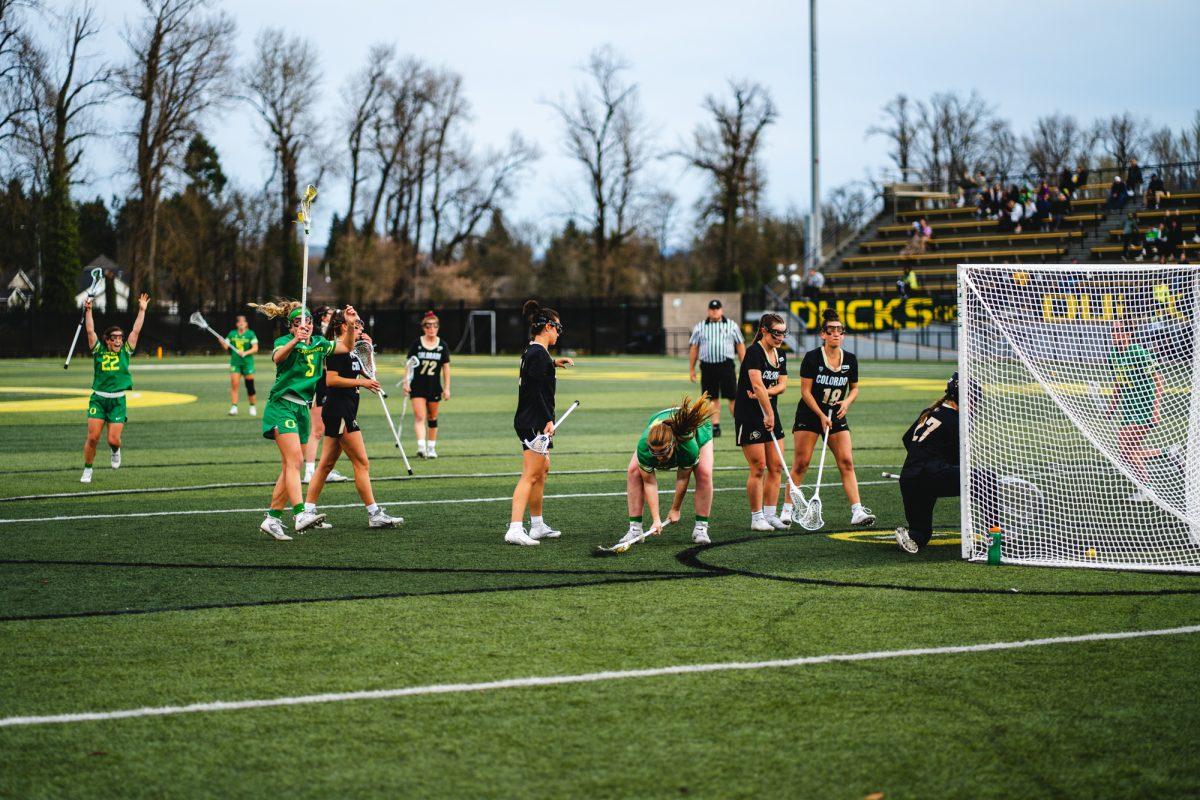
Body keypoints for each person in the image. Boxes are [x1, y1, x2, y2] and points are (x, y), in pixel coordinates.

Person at [251, 301, 358, 541]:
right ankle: (300, 514)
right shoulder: (284, 342)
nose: (305, 325)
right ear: (291, 327)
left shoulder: (320, 343)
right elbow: (278, 358)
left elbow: (347, 346)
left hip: (303, 409)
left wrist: (350, 325)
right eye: (298, 322)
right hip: (282, 406)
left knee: (290, 466)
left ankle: (272, 519)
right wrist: (294, 341)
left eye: (308, 321)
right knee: (295, 461)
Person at [299, 311, 402, 530]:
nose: (360, 328)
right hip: (339, 411)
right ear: (343, 327)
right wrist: (363, 385)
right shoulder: (336, 350)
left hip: (345, 410)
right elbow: (332, 380)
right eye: (356, 325)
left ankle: (307, 512)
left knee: (326, 464)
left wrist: (368, 356)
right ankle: (374, 514)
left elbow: (367, 373)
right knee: (361, 462)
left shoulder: (351, 350)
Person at [782, 308, 874, 527]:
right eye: (830, 330)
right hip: (811, 414)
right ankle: (787, 509)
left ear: (843, 335)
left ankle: (857, 511)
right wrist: (821, 415)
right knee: (801, 463)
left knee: (846, 461)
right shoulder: (813, 358)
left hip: (835, 414)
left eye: (839, 330)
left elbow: (854, 389)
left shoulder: (850, 360)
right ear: (822, 334)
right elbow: (805, 392)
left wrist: (847, 402)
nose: (835, 334)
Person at [894, 373, 999, 553]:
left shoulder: (928, 412)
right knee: (986, 479)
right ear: (964, 398)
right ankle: (995, 534)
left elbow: (907, 439)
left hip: (910, 479)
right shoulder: (956, 421)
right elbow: (958, 460)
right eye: (974, 399)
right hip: (932, 475)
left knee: (921, 535)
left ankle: (907, 536)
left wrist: (921, 461)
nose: (975, 405)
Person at [506, 300, 574, 546]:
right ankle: (515, 528)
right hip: (533, 421)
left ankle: (537, 526)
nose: (558, 333)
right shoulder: (537, 354)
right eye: (557, 328)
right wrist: (548, 419)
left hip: (534, 419)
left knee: (542, 469)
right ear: (547, 327)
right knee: (531, 474)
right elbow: (536, 391)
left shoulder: (536, 352)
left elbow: (537, 373)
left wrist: (554, 363)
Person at [619, 395, 716, 547]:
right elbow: (649, 482)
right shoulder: (644, 447)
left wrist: (675, 509)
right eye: (655, 453)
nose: (660, 458)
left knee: (704, 472)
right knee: (633, 471)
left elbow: (683, 478)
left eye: (663, 452)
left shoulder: (687, 446)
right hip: (660, 417)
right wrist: (656, 519)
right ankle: (635, 529)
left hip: (699, 428)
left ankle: (701, 528)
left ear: (673, 445)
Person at [79, 292, 150, 484]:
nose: (119, 341)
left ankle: (115, 450)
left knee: (113, 440)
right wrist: (88, 310)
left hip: (118, 401)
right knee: (93, 438)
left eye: (120, 338)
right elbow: (90, 330)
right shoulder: (98, 350)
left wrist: (142, 310)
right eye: (114, 338)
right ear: (107, 340)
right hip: (99, 399)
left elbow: (136, 331)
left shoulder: (126, 351)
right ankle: (87, 469)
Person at [732, 312, 788, 531]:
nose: (780, 337)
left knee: (776, 466)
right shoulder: (754, 352)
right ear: (764, 330)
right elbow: (756, 385)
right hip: (751, 415)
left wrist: (768, 393)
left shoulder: (780, 355)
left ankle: (770, 514)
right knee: (759, 467)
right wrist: (768, 412)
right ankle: (756, 518)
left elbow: (782, 385)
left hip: (770, 413)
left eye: (783, 333)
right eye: (776, 333)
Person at [1107, 320, 1171, 502]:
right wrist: (1112, 407)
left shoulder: (1138, 352)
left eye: (1118, 331)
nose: (1114, 334)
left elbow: (1159, 380)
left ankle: (1148, 490)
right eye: (1112, 331)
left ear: (1128, 334)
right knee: (1129, 452)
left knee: (1125, 450)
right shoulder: (1113, 355)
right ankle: (1167, 453)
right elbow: (1119, 382)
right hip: (1128, 410)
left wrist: (1156, 410)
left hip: (1145, 407)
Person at [302, 306, 348, 483]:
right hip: (318, 385)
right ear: (322, 318)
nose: (335, 318)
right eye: (330, 315)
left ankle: (322, 469)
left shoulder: (330, 335)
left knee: (328, 430)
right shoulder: (318, 338)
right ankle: (310, 471)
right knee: (317, 430)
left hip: (329, 386)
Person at [688, 299, 745, 438]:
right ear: (708, 311)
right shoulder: (700, 327)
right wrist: (692, 369)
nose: (714, 311)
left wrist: (745, 365)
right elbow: (694, 348)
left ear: (721, 310)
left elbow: (740, 345)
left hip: (726, 365)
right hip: (708, 366)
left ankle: (740, 424)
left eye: (717, 309)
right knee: (712, 397)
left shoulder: (731, 325)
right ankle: (715, 426)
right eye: (712, 309)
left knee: (733, 396)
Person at [404, 310, 452, 458]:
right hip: (418, 386)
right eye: (428, 326)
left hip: (434, 387)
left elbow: (446, 368)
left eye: (434, 326)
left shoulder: (442, 345)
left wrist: (447, 387)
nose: (431, 329)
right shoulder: (417, 344)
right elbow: (409, 364)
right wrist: (406, 381)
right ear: (423, 327)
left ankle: (431, 447)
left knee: (432, 417)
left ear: (438, 327)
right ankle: (421, 447)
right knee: (419, 416)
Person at [223, 314, 259, 416]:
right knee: (234, 386)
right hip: (235, 363)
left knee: (250, 386)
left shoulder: (251, 334)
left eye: (243, 322)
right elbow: (226, 347)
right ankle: (234, 407)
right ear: (237, 324)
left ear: (246, 324)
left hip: (248, 364)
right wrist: (222, 341)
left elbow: (255, 348)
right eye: (239, 322)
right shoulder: (232, 334)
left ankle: (252, 406)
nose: (241, 324)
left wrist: (245, 353)